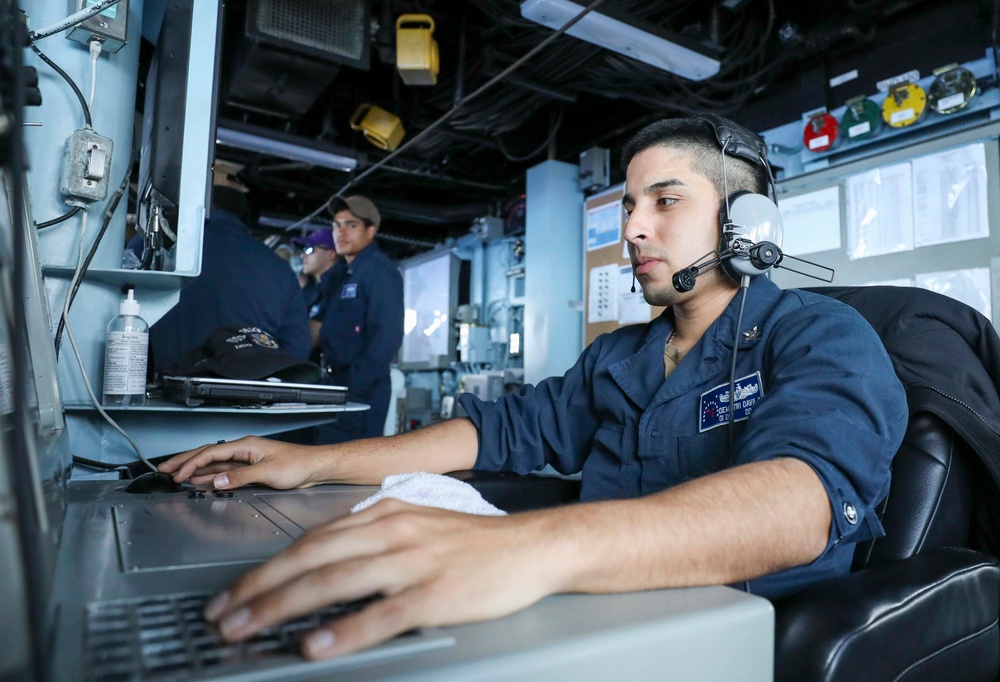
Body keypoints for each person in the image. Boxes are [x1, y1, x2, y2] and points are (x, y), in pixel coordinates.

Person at [159, 115, 907, 661]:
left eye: (665, 201)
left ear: (747, 224)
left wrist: (530, 549)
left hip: (723, 642)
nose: (634, 230)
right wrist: (313, 462)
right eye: (628, 206)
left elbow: (799, 503)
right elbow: (498, 430)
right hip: (593, 607)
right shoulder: (620, 355)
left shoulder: (820, 335)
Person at [150, 161, 311, 373]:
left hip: (158, 396)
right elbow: (296, 352)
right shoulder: (281, 271)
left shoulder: (153, 247)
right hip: (249, 399)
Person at [311, 195, 404, 443]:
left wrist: (353, 388)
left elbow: (387, 336)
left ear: (370, 230)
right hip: (336, 385)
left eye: (350, 225)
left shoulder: (378, 270)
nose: (340, 232)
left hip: (361, 392)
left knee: (346, 471)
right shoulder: (343, 274)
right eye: (336, 225)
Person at [290, 228, 337, 320]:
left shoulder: (336, 290)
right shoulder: (314, 290)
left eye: (309, 249)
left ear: (330, 254)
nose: (302, 255)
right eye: (304, 249)